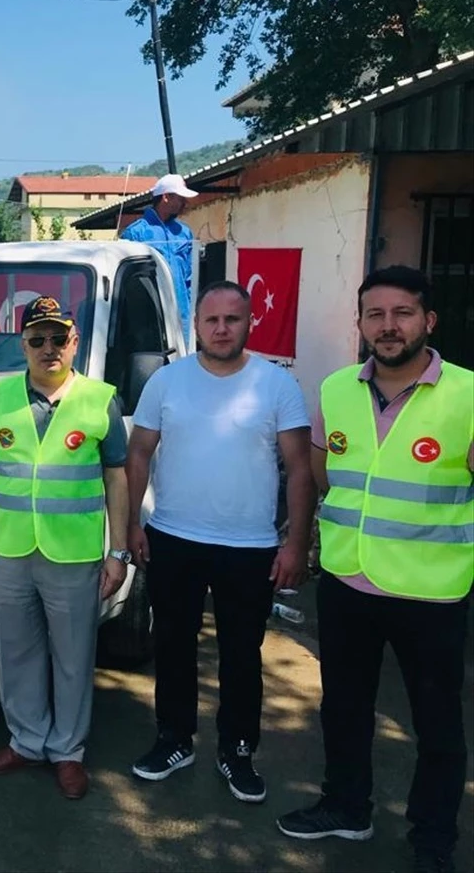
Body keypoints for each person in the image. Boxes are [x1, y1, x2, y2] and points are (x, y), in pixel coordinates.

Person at [277, 266, 472, 873]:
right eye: (375, 315)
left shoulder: (467, 394)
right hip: (346, 581)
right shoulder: (337, 389)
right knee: (343, 707)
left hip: (431, 591)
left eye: (402, 313)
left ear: (428, 321)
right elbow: (313, 475)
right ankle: (347, 807)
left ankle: (432, 842)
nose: (388, 327)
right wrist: (300, 542)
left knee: (437, 726)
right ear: (360, 324)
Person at [125, 280, 314, 803]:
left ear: (248, 322)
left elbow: (301, 469)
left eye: (233, 319)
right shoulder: (167, 381)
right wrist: (131, 525)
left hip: (250, 547)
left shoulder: (276, 385)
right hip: (174, 537)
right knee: (173, 645)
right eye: (212, 320)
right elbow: (138, 454)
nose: (222, 328)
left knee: (241, 655)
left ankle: (236, 750)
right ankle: (174, 738)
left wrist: (295, 544)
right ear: (197, 326)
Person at [0, 295, 130, 800]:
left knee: (73, 657)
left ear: (74, 341)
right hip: (12, 552)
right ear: (23, 345)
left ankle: (68, 752)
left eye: (58, 337)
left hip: (74, 554)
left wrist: (118, 552)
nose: (49, 348)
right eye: (37, 339)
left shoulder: (101, 399)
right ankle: (26, 741)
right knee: (16, 653)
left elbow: (117, 481)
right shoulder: (0, 398)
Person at [121, 173, 199, 344]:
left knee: (183, 359)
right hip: (149, 312)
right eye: (180, 198)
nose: (185, 203)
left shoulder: (184, 233)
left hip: (182, 311)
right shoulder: (135, 233)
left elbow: (191, 277)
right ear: (165, 197)